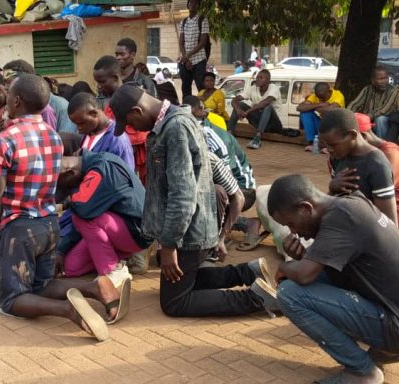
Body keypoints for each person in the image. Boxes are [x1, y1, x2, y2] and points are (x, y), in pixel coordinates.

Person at [109, 84, 280, 318]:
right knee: (187, 279)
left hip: (188, 233)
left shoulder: (176, 127)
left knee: (175, 303)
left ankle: (256, 299)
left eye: (130, 123)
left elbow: (183, 193)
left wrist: (169, 246)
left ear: (137, 111)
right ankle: (247, 272)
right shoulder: (172, 123)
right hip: (190, 229)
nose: (132, 129)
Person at [0, 73, 124, 342]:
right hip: (50, 224)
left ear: (15, 102)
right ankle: (94, 287)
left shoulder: (2, 141)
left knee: (12, 300)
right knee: (42, 284)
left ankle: (68, 310)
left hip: (19, 227)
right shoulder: (54, 137)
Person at [268, 174, 399, 384]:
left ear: (306, 208)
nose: (293, 231)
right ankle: (388, 351)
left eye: (291, 223)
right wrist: (301, 258)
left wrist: (284, 266)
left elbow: (304, 274)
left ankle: (362, 371)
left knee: (290, 294)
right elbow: (332, 271)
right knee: (303, 280)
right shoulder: (349, 204)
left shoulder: (341, 218)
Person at [56, 151, 151, 287]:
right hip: (119, 229)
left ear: (69, 173)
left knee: (81, 218)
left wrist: (70, 198)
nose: (66, 190)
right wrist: (61, 250)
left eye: (64, 185)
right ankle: (116, 261)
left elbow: (82, 210)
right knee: (69, 268)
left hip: (137, 232)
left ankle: (112, 271)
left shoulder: (101, 168)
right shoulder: (92, 165)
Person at [186, 95, 264, 251]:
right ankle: (246, 223)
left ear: (201, 111)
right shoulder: (191, 130)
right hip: (224, 184)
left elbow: (226, 181)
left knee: (213, 194)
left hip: (243, 189)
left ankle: (216, 238)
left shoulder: (214, 138)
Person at [321, 109, 399, 229]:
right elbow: (336, 201)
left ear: (352, 135)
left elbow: (389, 223)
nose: (329, 149)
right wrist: (332, 189)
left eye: (333, 145)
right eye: (326, 144)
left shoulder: (377, 164)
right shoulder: (337, 157)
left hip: (369, 231)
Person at [356, 113, 399, 231]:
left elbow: (381, 187)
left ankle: (394, 236)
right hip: (372, 202)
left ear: (361, 136)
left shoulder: (389, 153)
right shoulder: (360, 153)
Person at [93, 55, 148, 185]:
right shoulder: (110, 103)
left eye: (102, 81)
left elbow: (137, 134)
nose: (99, 86)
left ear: (115, 78)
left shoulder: (130, 99)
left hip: (132, 160)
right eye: (97, 82)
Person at [2, 59, 77, 133]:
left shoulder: (60, 106)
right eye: (4, 83)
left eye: (9, 82)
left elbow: (66, 140)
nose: (5, 87)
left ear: (26, 81)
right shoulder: (15, 105)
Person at [67, 92, 134, 169]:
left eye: (81, 123)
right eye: (76, 124)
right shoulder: (89, 131)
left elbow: (126, 174)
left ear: (94, 113)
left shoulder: (117, 139)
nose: (79, 128)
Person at [228, 69, 283, 149]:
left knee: (267, 107)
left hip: (273, 125)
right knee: (240, 104)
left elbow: (265, 103)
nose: (257, 79)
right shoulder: (252, 88)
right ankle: (229, 134)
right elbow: (235, 100)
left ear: (268, 80)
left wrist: (247, 112)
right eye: (257, 77)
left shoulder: (274, 88)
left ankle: (257, 138)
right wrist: (238, 110)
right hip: (258, 123)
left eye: (261, 78)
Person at [347, 65, 399, 139]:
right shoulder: (367, 89)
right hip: (369, 120)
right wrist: (348, 114)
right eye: (380, 79)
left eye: (385, 78)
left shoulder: (393, 90)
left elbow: (384, 109)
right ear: (373, 80)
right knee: (352, 118)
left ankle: (382, 145)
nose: (384, 81)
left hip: (387, 122)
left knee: (380, 119)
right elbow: (355, 103)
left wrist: (369, 116)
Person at [296, 82, 345, 152]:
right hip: (321, 123)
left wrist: (312, 107)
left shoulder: (338, 95)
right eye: (319, 98)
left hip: (335, 125)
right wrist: (319, 105)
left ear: (329, 91)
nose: (321, 99)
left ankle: (328, 145)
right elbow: (300, 107)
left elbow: (330, 110)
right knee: (305, 113)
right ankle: (312, 143)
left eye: (323, 97)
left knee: (330, 115)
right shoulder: (314, 96)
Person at [178, 0, 209, 97]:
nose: (192, 5)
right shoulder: (183, 22)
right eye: (190, 3)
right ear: (187, 5)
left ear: (198, 6)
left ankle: (203, 110)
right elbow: (181, 42)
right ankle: (187, 110)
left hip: (199, 60)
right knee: (185, 88)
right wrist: (185, 58)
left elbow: (203, 42)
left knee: (201, 87)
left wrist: (187, 55)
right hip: (186, 60)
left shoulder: (203, 20)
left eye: (195, 3)